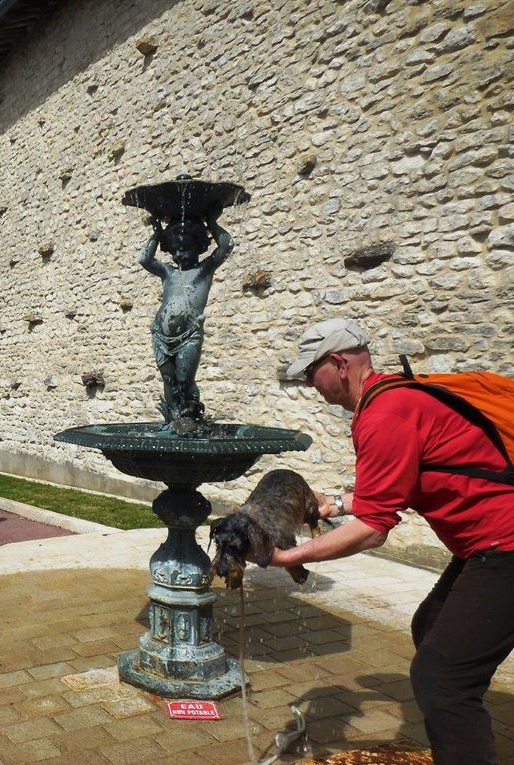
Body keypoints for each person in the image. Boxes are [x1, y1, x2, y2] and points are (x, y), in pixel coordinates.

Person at [274, 318, 514, 765]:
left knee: (442, 678)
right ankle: (458, 731)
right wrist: (335, 504)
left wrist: (288, 555)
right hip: (486, 545)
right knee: (430, 629)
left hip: (505, 546)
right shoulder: (392, 396)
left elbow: (373, 529)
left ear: (339, 363)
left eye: (311, 373)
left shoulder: (385, 412)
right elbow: (392, 488)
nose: (310, 384)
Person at [138, 207, 232, 428]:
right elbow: (144, 259)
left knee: (185, 378)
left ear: (199, 247)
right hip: (161, 335)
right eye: (175, 250)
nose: (179, 255)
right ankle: (173, 420)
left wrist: (212, 223)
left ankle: (191, 417)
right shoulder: (169, 272)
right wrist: (156, 234)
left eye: (185, 249)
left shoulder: (205, 269)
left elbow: (227, 246)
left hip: (189, 335)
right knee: (168, 380)